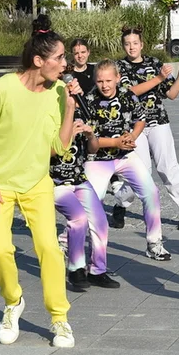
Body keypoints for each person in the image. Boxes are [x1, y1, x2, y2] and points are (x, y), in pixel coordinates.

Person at [0, 15, 79, 348]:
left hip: (35, 185)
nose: (64, 63)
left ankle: (60, 319)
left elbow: (60, 147)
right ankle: (13, 301)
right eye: (59, 57)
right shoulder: (3, 88)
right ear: (38, 60)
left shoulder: (59, 91)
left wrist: (70, 107)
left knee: (49, 249)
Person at [112, 27, 179, 231]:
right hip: (134, 126)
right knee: (140, 172)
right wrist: (159, 78)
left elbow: (171, 94)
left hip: (158, 121)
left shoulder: (154, 64)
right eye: (127, 43)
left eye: (135, 42)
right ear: (123, 46)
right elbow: (130, 93)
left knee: (168, 168)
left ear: (142, 44)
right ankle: (120, 203)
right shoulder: (120, 67)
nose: (131, 47)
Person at [83, 60, 171, 261]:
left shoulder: (127, 94)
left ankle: (154, 242)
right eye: (99, 81)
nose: (104, 86)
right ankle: (78, 243)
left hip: (125, 156)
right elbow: (91, 142)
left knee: (151, 192)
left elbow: (140, 118)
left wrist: (133, 136)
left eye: (108, 80)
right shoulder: (89, 100)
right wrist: (115, 142)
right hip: (98, 159)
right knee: (90, 203)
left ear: (117, 78)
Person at [50, 102, 119, 291]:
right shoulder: (48, 117)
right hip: (55, 182)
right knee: (78, 218)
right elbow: (48, 152)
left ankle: (98, 270)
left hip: (79, 180)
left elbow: (93, 149)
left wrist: (91, 136)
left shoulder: (83, 113)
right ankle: (76, 268)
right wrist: (69, 135)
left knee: (100, 222)